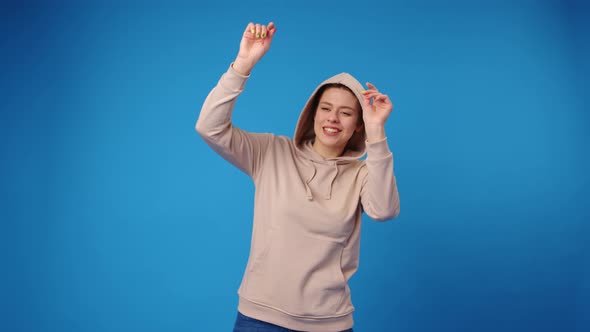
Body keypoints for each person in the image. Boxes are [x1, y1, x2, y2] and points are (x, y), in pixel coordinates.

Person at [196, 21, 400, 332]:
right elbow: (209, 127)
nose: (333, 118)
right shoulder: (271, 152)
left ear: (357, 124)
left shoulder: (362, 174)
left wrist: (377, 132)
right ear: (312, 113)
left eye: (346, 113)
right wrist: (243, 65)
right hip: (260, 318)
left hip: (329, 323)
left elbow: (384, 210)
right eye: (326, 108)